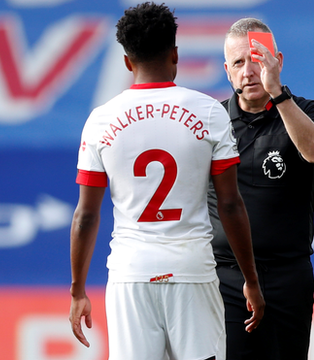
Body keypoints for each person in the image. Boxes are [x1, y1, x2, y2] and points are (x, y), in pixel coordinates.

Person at [68, 4, 265, 360]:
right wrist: (251, 280)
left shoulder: (100, 120)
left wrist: (77, 290)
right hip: (192, 270)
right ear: (175, 54)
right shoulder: (208, 112)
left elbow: (86, 216)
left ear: (128, 61)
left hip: (131, 274)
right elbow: (231, 203)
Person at [207, 18, 314, 360]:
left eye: (257, 59)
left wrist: (279, 94)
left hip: (286, 275)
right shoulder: (211, 122)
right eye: (238, 63)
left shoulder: (307, 111)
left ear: (277, 61)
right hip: (224, 277)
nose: (249, 71)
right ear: (227, 70)